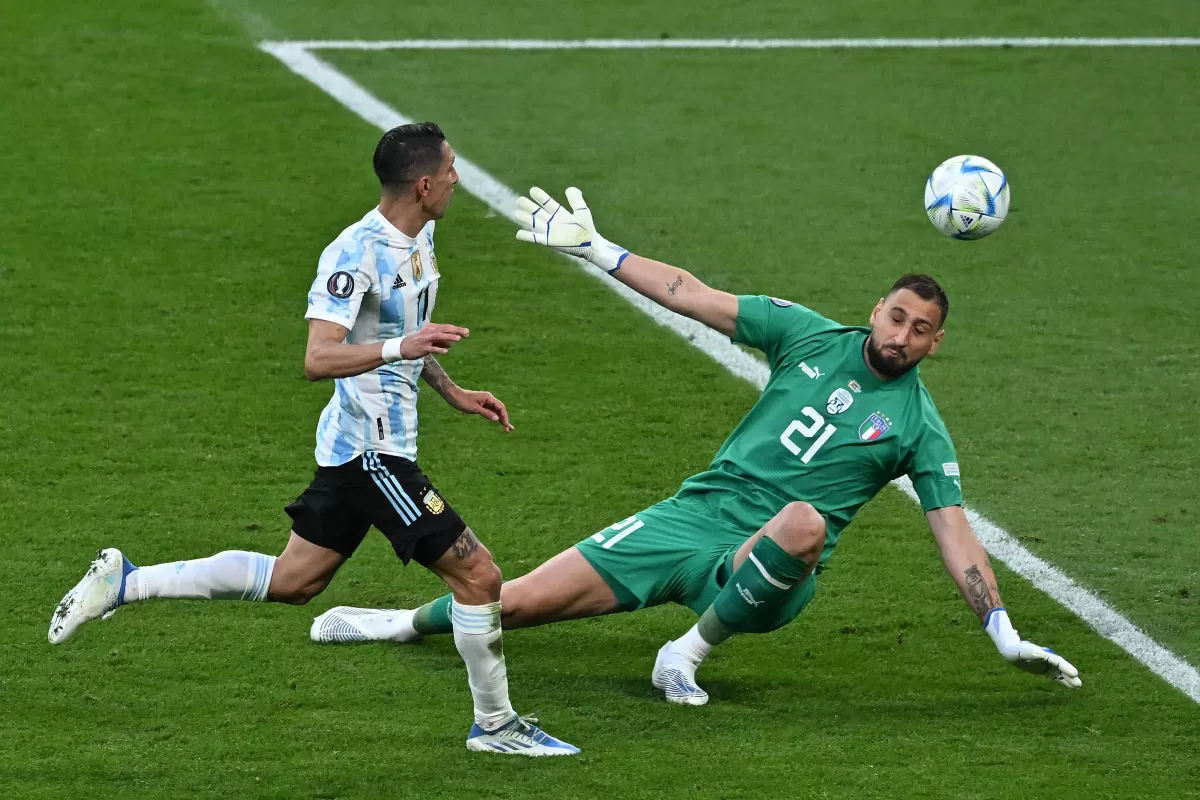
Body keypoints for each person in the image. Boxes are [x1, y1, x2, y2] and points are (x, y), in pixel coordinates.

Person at [312, 186, 1082, 706]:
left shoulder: (919, 426)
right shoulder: (808, 334)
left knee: (805, 523)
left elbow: (956, 532)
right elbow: (694, 293)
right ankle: (398, 622)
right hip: (693, 518)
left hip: (766, 566)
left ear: (934, 344)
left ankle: (686, 651)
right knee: (514, 602)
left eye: (920, 331)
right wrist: (600, 251)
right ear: (876, 310)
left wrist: (1003, 631)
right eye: (896, 318)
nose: (902, 336)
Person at [46, 129, 578, 757]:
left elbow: (405, 334)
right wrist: (399, 350)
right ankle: (495, 725)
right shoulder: (354, 254)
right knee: (479, 574)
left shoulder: (421, 235)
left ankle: (126, 582)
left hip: (361, 446)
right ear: (424, 185)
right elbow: (319, 357)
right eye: (452, 169)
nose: (459, 178)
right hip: (372, 453)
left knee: (295, 580)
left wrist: (450, 389)